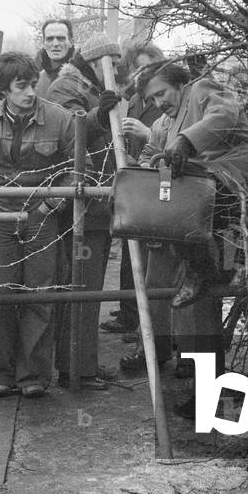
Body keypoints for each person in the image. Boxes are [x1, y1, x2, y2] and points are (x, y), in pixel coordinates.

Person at [135, 59, 248, 417]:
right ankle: (205, 392)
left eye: (161, 93)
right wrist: (153, 163)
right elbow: (152, 153)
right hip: (198, 217)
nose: (158, 102)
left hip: (231, 189)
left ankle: (220, 268)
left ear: (179, 83)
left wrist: (185, 143)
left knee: (204, 303)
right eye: (152, 98)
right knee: (196, 312)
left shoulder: (203, 90)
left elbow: (226, 116)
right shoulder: (164, 122)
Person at [0, 52, 76, 398]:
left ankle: (33, 377)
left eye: (32, 84)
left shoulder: (59, 119)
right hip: (1, 219)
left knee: (39, 296)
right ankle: (0, 373)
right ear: (3, 91)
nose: (29, 92)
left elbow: (77, 169)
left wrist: (49, 204)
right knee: (0, 295)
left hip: (42, 218)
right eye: (20, 86)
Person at [45, 32, 124, 390]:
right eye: (111, 64)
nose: (116, 71)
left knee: (89, 288)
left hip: (98, 203)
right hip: (80, 206)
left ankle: (83, 363)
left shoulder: (90, 87)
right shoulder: (65, 88)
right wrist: (100, 113)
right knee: (81, 285)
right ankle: (75, 368)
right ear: (95, 64)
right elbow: (72, 133)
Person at [102, 43, 165, 337]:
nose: (145, 74)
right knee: (131, 253)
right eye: (139, 68)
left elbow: (176, 138)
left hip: (162, 184)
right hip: (137, 181)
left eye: (149, 67)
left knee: (158, 261)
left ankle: (152, 328)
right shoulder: (134, 98)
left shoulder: (165, 98)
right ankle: (130, 314)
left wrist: (146, 132)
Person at [35, 18, 77, 99]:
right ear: (43, 43)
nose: (55, 44)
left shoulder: (84, 77)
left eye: (61, 38)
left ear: (71, 42)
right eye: (50, 39)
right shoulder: (34, 80)